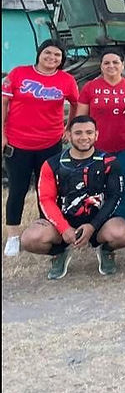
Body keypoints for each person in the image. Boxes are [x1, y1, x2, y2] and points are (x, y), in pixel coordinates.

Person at [19, 116, 125, 279]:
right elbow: (46, 199)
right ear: (68, 135)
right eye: (78, 133)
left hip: (98, 223)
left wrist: (93, 226)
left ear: (97, 135)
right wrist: (64, 228)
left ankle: (105, 251)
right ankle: (59, 254)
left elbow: (115, 197)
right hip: (62, 225)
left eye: (89, 132)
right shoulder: (52, 164)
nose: (84, 137)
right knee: (30, 239)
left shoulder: (110, 162)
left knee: (123, 234)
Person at [2, 39, 79, 257]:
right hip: (18, 142)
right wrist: (3, 134)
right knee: (17, 189)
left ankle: (43, 230)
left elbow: (76, 103)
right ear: (39, 54)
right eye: (48, 53)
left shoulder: (66, 80)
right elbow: (4, 104)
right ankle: (13, 236)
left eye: (57, 55)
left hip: (50, 143)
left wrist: (69, 127)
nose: (52, 58)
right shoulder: (18, 74)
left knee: (46, 191)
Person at [77, 49, 125, 226]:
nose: (111, 66)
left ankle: (124, 225)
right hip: (97, 148)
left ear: (122, 65)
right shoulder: (90, 88)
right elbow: (81, 120)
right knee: (96, 187)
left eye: (115, 62)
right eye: (106, 63)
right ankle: (97, 223)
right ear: (101, 66)